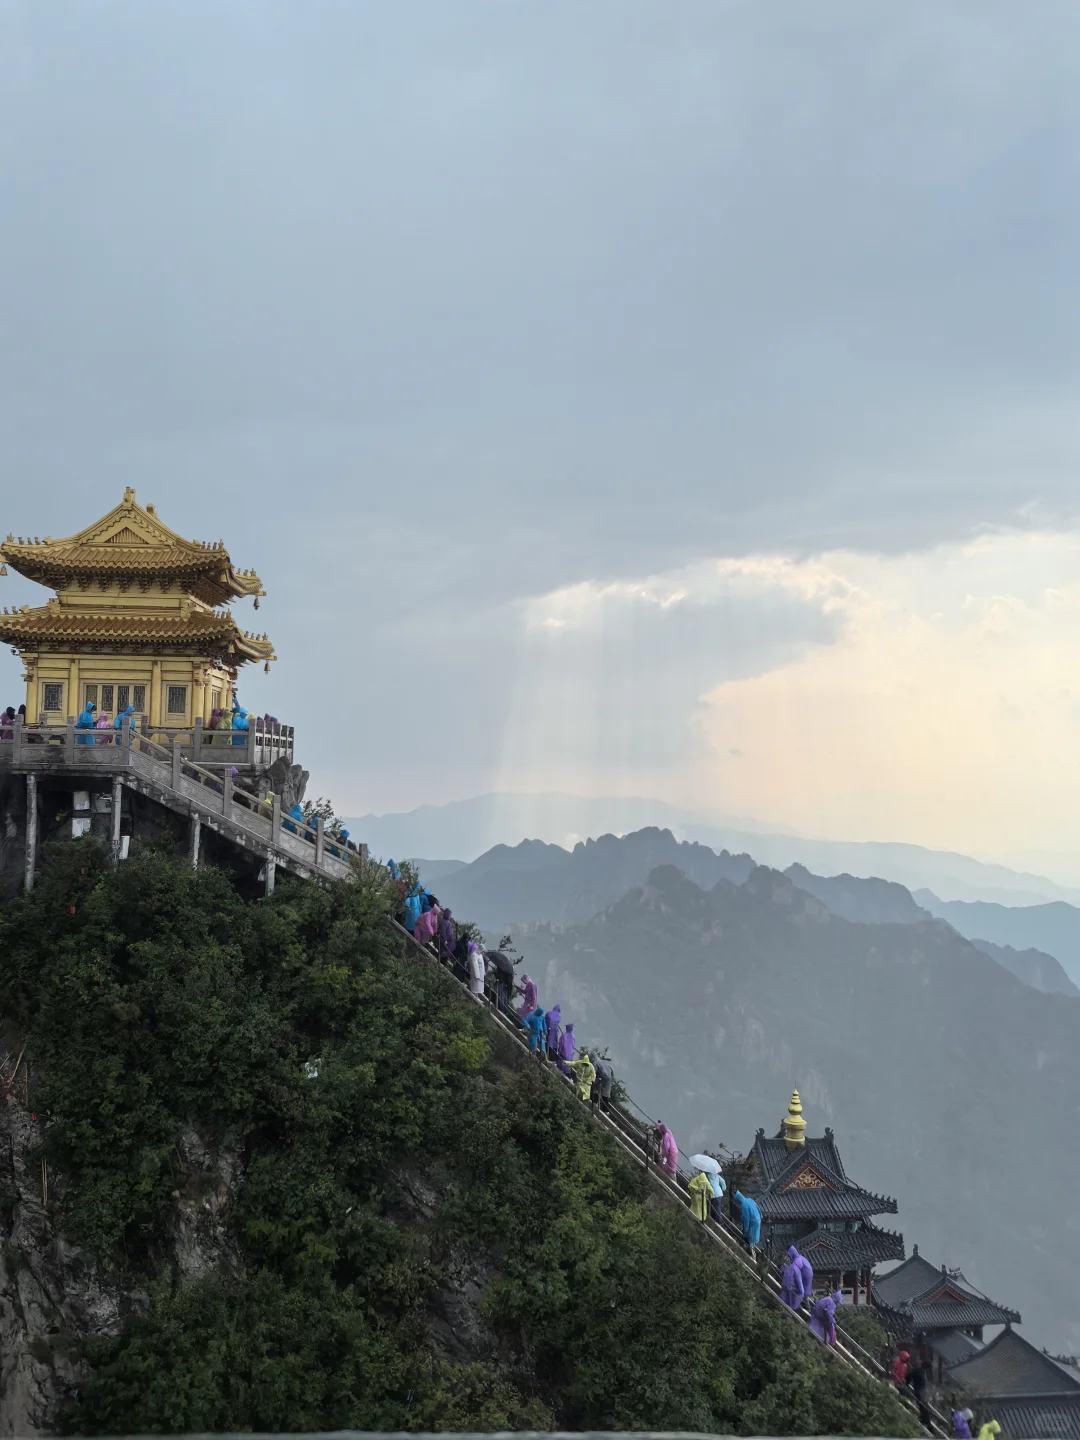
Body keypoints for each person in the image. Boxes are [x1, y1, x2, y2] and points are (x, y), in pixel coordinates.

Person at [909, 1361, 932, 1428]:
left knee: (924, 1407)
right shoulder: (918, 1371)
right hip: (919, 1392)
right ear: (925, 1367)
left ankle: (925, 1420)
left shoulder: (922, 1372)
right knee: (923, 1407)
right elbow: (909, 1378)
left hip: (922, 1392)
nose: (928, 1370)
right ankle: (925, 1421)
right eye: (928, 1368)